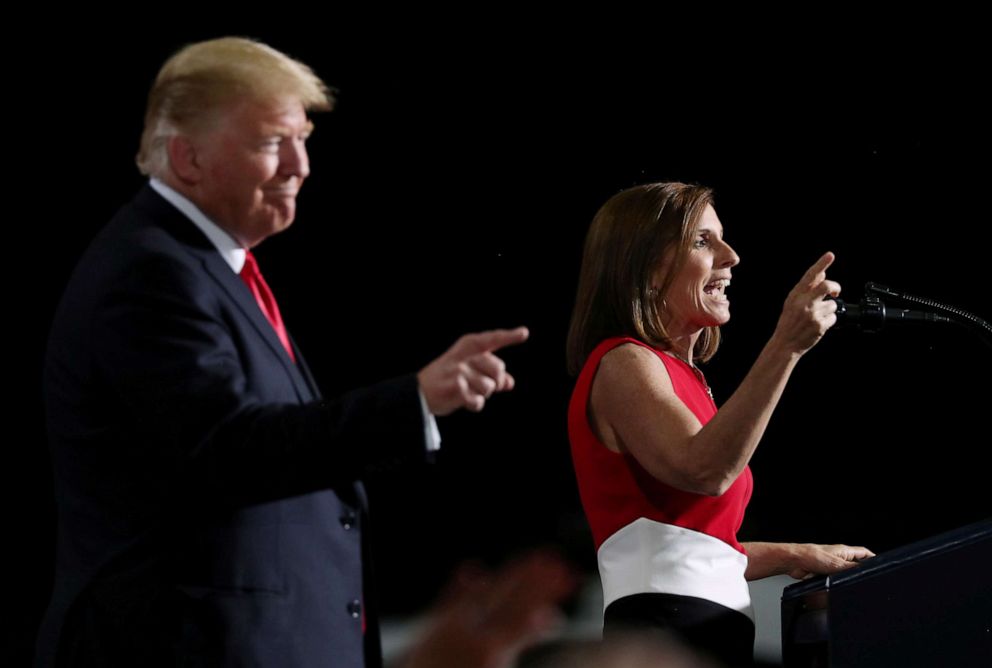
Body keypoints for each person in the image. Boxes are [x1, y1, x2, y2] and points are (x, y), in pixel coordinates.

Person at [37, 37, 529, 667]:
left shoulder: (204, 266)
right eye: (273, 142)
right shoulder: (150, 275)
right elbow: (231, 449)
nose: (300, 165)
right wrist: (414, 400)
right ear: (188, 158)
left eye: (304, 140)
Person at [565, 182, 873, 667]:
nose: (731, 257)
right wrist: (785, 346)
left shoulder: (686, 381)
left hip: (708, 629)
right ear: (645, 266)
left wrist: (795, 554)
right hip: (663, 634)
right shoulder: (624, 361)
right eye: (702, 241)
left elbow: (688, 551)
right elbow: (705, 471)